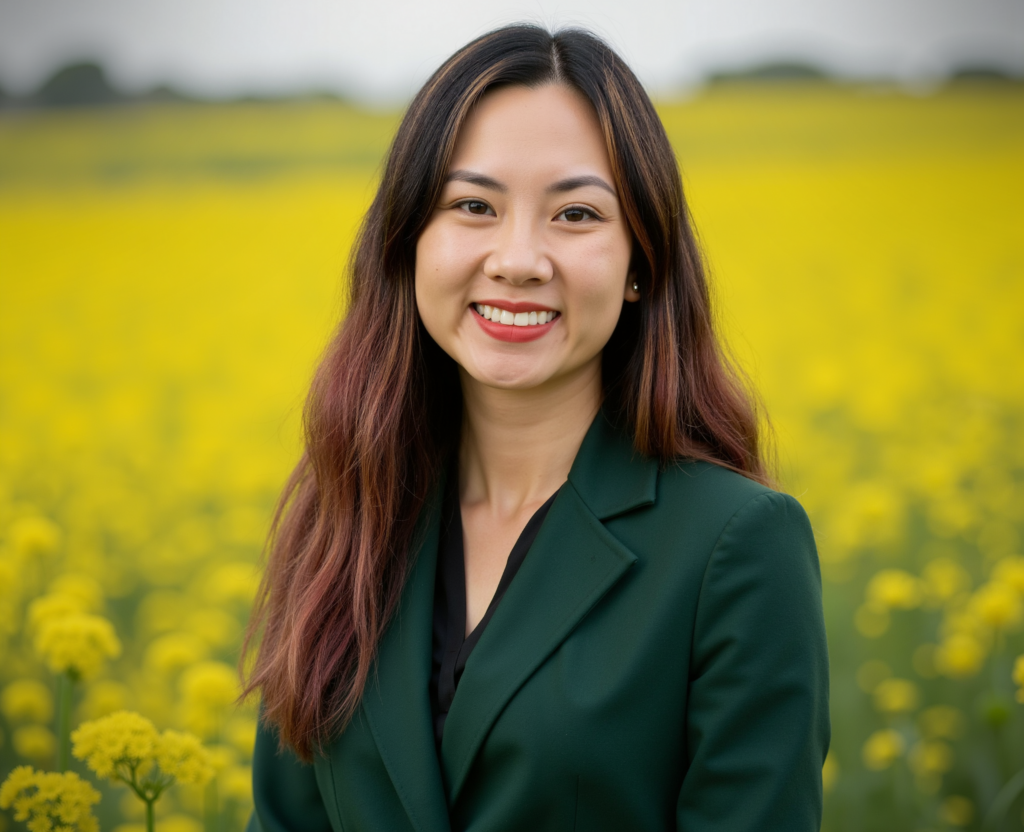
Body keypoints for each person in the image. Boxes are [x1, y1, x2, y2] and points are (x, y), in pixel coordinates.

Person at [241, 23, 829, 832]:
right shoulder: (345, 510)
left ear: (640, 265)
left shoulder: (737, 547)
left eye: (577, 214)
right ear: (411, 240)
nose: (519, 258)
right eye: (473, 205)